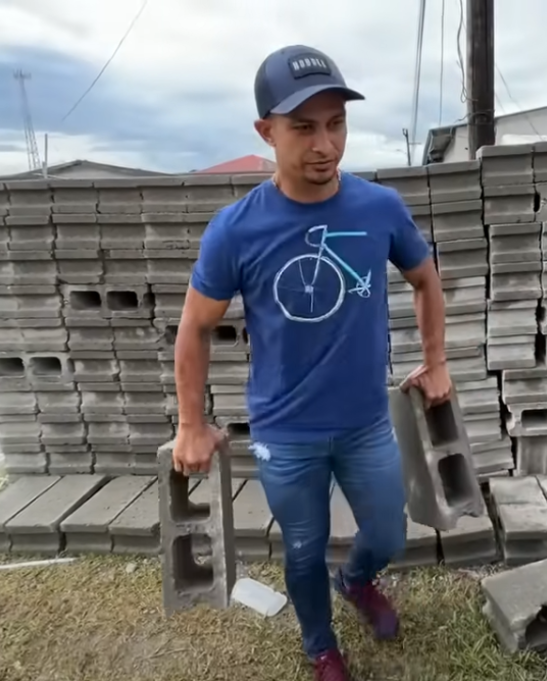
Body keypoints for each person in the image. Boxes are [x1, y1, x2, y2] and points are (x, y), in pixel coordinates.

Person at [170, 45, 450, 680]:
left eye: (336, 124)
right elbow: (194, 327)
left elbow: (427, 281)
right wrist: (191, 422)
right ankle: (321, 644)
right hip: (285, 432)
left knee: (387, 535)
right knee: (301, 550)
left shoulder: (379, 208)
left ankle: (356, 580)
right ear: (266, 131)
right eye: (303, 127)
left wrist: (435, 361)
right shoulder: (235, 230)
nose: (325, 144)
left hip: (365, 422)